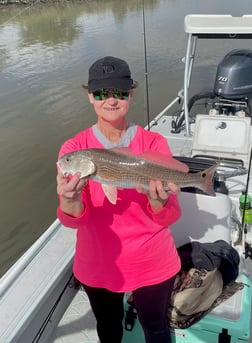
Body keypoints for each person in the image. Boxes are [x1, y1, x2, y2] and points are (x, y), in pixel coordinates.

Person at [56, 56, 182, 343]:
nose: (110, 100)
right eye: (101, 93)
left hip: (151, 260)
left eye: (120, 92)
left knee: (156, 328)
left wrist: (159, 201)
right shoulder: (74, 150)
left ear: (131, 94)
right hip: (99, 263)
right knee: (109, 329)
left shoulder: (153, 143)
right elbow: (73, 218)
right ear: (90, 96)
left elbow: (170, 215)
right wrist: (70, 198)